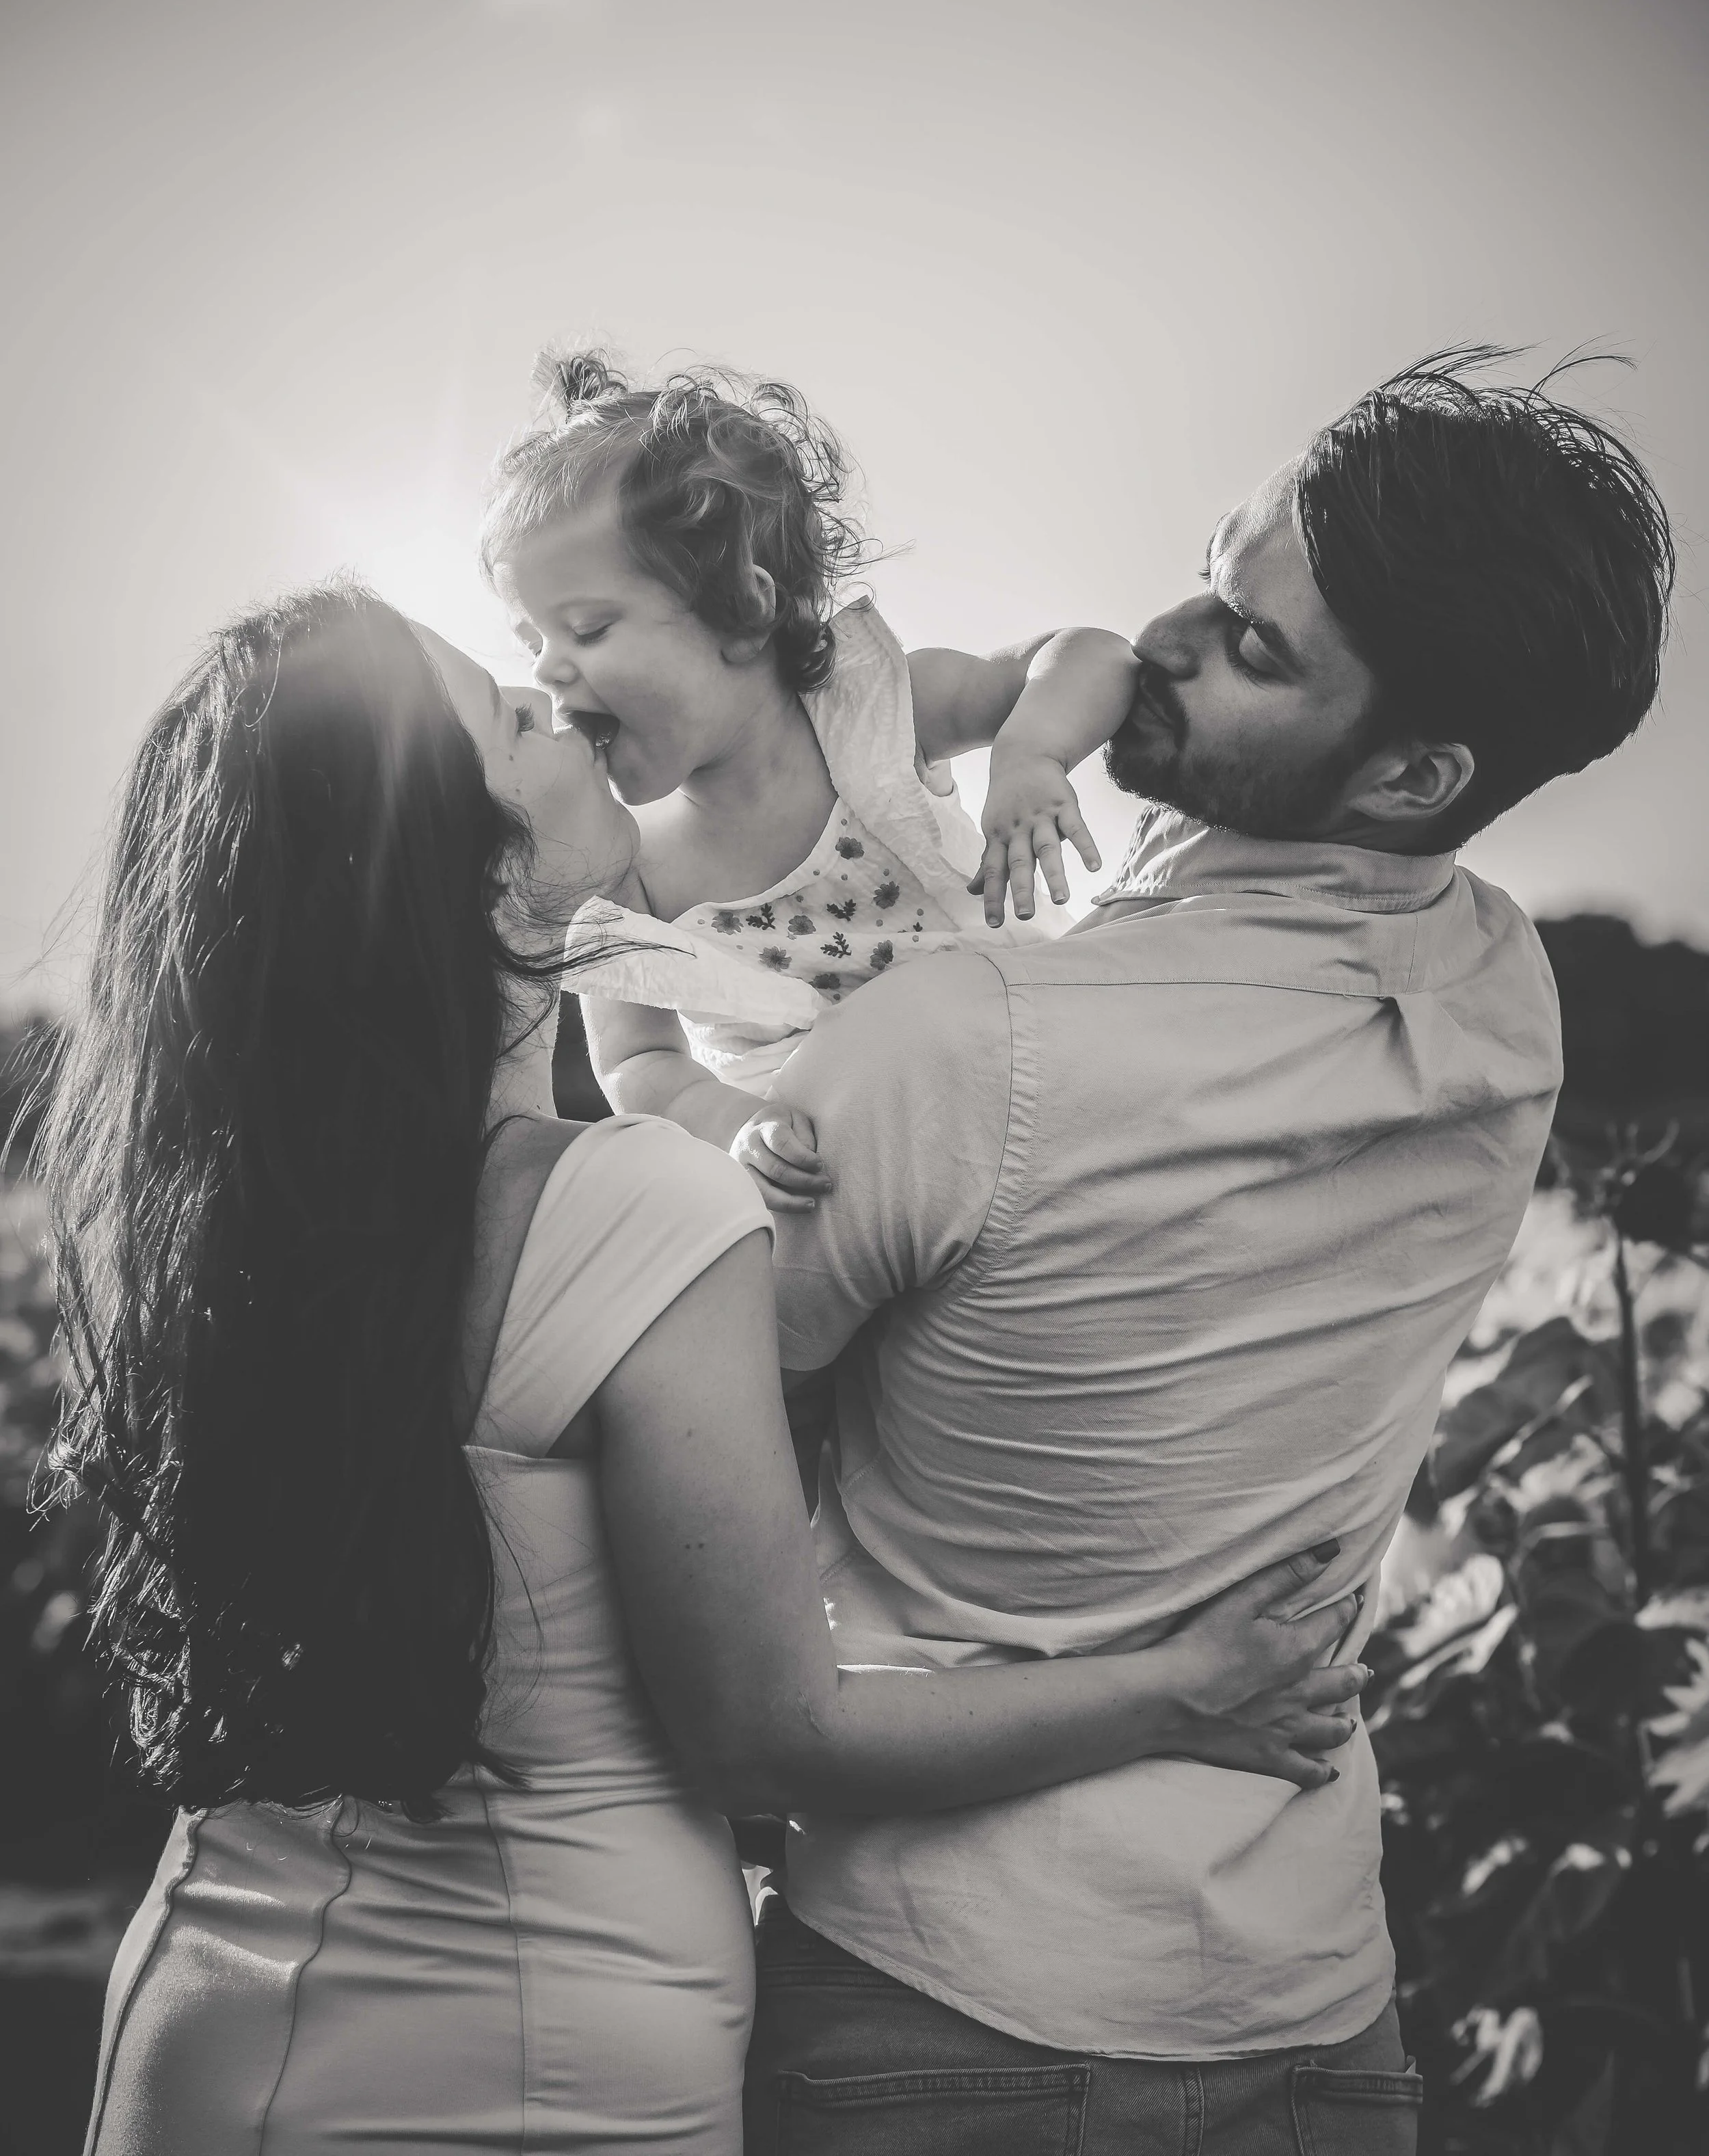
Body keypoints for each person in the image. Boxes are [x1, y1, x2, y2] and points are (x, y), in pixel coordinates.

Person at [41, 585, 1365, 2155]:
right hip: (522, 2075)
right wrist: (1181, 1687)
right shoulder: (622, 1206)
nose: (559, 710)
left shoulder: (223, 1230)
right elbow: (770, 1734)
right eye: (512, 725)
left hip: (206, 2015)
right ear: (477, 875)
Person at [742, 349, 1676, 2154]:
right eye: (1208, 569)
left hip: (953, 2012)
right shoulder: (1507, 1009)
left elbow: (679, 1389)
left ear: (1412, 767)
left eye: (1249, 647)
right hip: (1323, 2017)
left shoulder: (968, 1046)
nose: (1159, 636)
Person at [481, 350, 1139, 1210]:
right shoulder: (624, 866)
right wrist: (732, 1124)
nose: (550, 671)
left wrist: (1031, 753)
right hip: (854, 1173)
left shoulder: (871, 707)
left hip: (1035, 1071)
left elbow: (1086, 654)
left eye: (589, 628)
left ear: (744, 610)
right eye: (532, 641)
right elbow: (638, 1061)